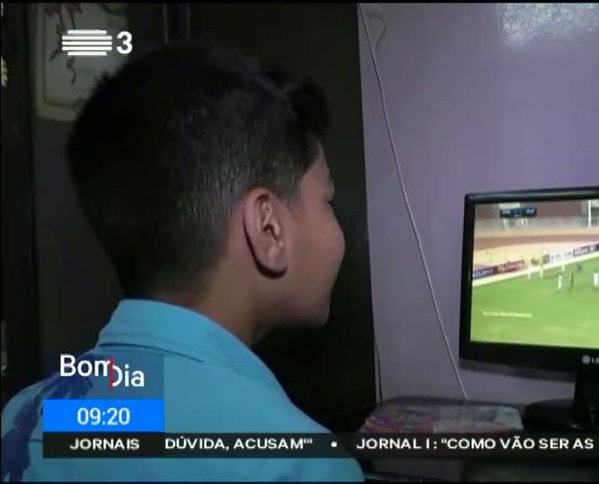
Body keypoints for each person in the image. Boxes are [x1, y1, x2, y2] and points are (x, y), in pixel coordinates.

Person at [0, 44, 362, 481]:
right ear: (269, 229)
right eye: (327, 200)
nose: (336, 224)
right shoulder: (296, 464)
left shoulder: (22, 420)